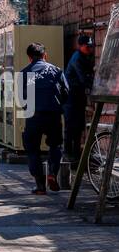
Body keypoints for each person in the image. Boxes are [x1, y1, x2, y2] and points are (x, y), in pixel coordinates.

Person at [21, 42, 69, 195]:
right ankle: (52, 173)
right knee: (55, 145)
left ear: (29, 58)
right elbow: (66, 92)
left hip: (33, 116)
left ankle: (40, 186)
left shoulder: (25, 73)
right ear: (45, 55)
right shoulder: (56, 71)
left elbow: (22, 98)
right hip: (53, 115)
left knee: (32, 149)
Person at [64, 33, 96, 169]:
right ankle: (68, 155)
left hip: (78, 97)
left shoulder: (85, 57)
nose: (89, 49)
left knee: (78, 128)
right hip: (71, 97)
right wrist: (94, 86)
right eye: (86, 47)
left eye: (90, 47)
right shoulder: (77, 58)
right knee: (71, 127)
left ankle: (76, 156)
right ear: (80, 46)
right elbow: (83, 78)